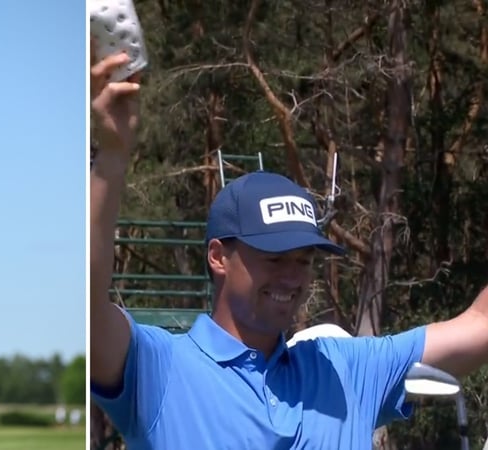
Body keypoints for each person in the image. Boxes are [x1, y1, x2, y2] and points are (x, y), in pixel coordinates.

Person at [89, 50, 488, 449]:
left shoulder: (342, 370)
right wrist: (111, 157)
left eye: (303, 261)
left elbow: (478, 326)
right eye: (275, 258)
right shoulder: (161, 369)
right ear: (217, 257)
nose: (293, 276)